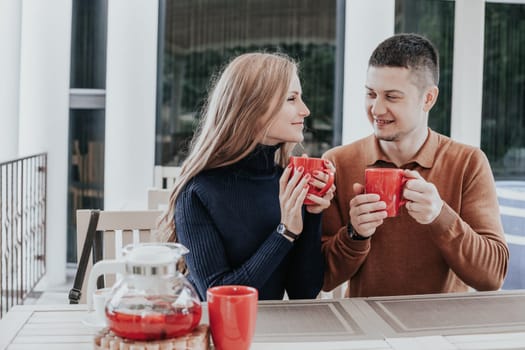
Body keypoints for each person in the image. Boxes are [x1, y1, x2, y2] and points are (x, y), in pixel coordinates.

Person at [321, 33, 509, 297]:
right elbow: (322, 278)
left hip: (445, 331)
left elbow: (492, 277)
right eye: (371, 94)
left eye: (392, 97)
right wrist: (355, 234)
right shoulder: (337, 163)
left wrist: (440, 216)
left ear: (428, 99)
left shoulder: (468, 163)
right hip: (369, 329)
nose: (376, 108)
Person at [161, 52, 334, 301]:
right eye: (291, 99)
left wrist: (313, 215)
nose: (305, 110)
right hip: (216, 335)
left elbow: (303, 292)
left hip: (277, 332)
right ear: (253, 108)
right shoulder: (197, 192)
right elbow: (220, 298)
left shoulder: (286, 181)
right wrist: (284, 233)